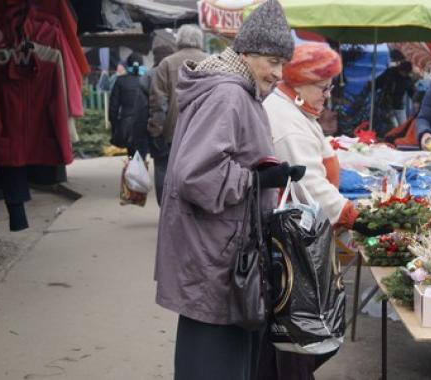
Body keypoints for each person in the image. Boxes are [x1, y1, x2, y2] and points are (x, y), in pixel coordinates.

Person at [153, 2, 303, 379]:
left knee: (222, 358)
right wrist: (258, 180)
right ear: (246, 54)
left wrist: (269, 171)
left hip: (219, 252)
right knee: (213, 361)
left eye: (283, 64)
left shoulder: (239, 90)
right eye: (272, 61)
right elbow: (195, 174)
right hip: (216, 257)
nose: (279, 73)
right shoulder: (229, 95)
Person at [260, 42, 392, 380]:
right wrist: (354, 216)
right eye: (323, 86)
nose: (328, 95)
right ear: (300, 82)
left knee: (301, 339)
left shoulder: (298, 111)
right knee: (297, 334)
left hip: (302, 239)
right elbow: (310, 187)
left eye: (330, 86)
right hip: (293, 246)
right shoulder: (287, 119)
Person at [148, 24, 209, 205]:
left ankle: (166, 208)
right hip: (204, 129)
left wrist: (156, 130)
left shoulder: (166, 63)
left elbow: (158, 102)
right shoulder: (212, 62)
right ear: (199, 40)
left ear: (179, 40)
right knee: (200, 170)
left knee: (164, 169)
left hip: (172, 131)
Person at [108, 53, 150, 158]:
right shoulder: (149, 79)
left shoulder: (120, 81)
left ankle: (133, 170)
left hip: (127, 123)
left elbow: (113, 107)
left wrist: (115, 126)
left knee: (131, 154)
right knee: (143, 153)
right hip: (145, 122)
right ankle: (143, 169)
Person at [375, 60, 415, 127]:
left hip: (398, 104)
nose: (405, 74)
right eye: (404, 72)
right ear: (400, 69)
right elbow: (379, 82)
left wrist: (417, 99)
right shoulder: (390, 73)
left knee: (403, 126)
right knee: (394, 125)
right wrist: (373, 86)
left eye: (406, 73)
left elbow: (412, 92)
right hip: (387, 104)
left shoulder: (407, 79)